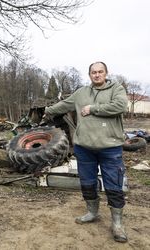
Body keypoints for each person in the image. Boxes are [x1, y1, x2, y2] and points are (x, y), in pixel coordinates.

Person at [44, 62, 128, 243]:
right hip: (84, 148)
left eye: (100, 72)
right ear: (89, 75)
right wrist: (47, 111)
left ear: (106, 73)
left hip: (110, 147)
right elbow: (64, 105)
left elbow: (120, 106)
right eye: (93, 72)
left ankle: (117, 224)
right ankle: (92, 212)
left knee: (114, 184)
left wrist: (93, 108)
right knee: (87, 182)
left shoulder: (116, 89)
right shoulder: (81, 92)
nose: (97, 75)